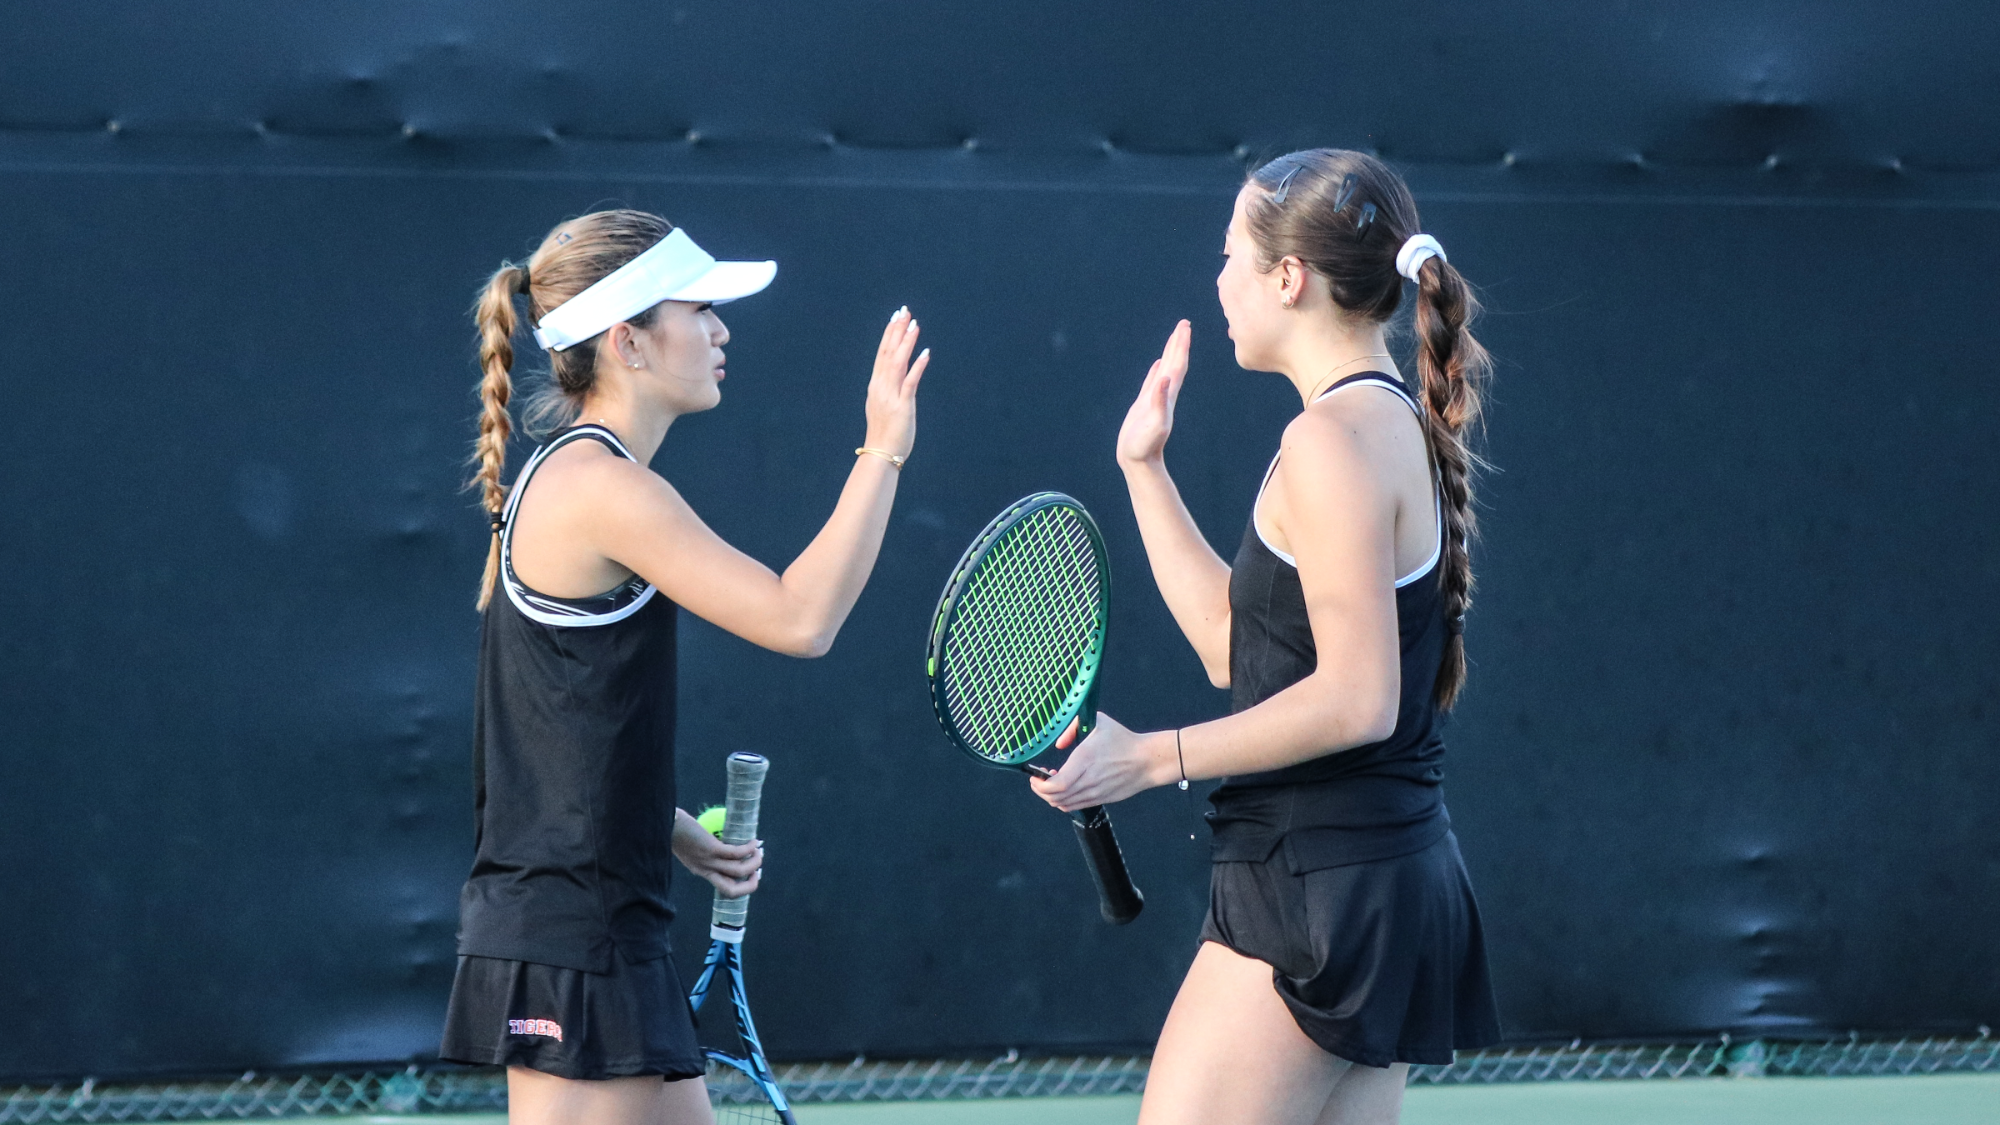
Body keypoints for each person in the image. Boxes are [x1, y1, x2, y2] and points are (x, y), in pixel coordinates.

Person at [1030, 150, 1501, 1125]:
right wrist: (1143, 468)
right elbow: (1231, 649)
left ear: (1288, 277)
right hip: (1374, 879)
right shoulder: (1379, 422)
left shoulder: (1327, 441)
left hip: (1315, 890)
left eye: (1229, 255)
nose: (1217, 280)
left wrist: (1148, 757)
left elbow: (1356, 699)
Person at [438, 209, 929, 1125]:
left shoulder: (571, 475)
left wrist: (665, 829)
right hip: (576, 938)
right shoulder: (604, 488)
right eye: (698, 309)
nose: (720, 330)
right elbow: (801, 618)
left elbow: (551, 734)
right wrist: (884, 447)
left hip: (594, 922)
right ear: (627, 341)